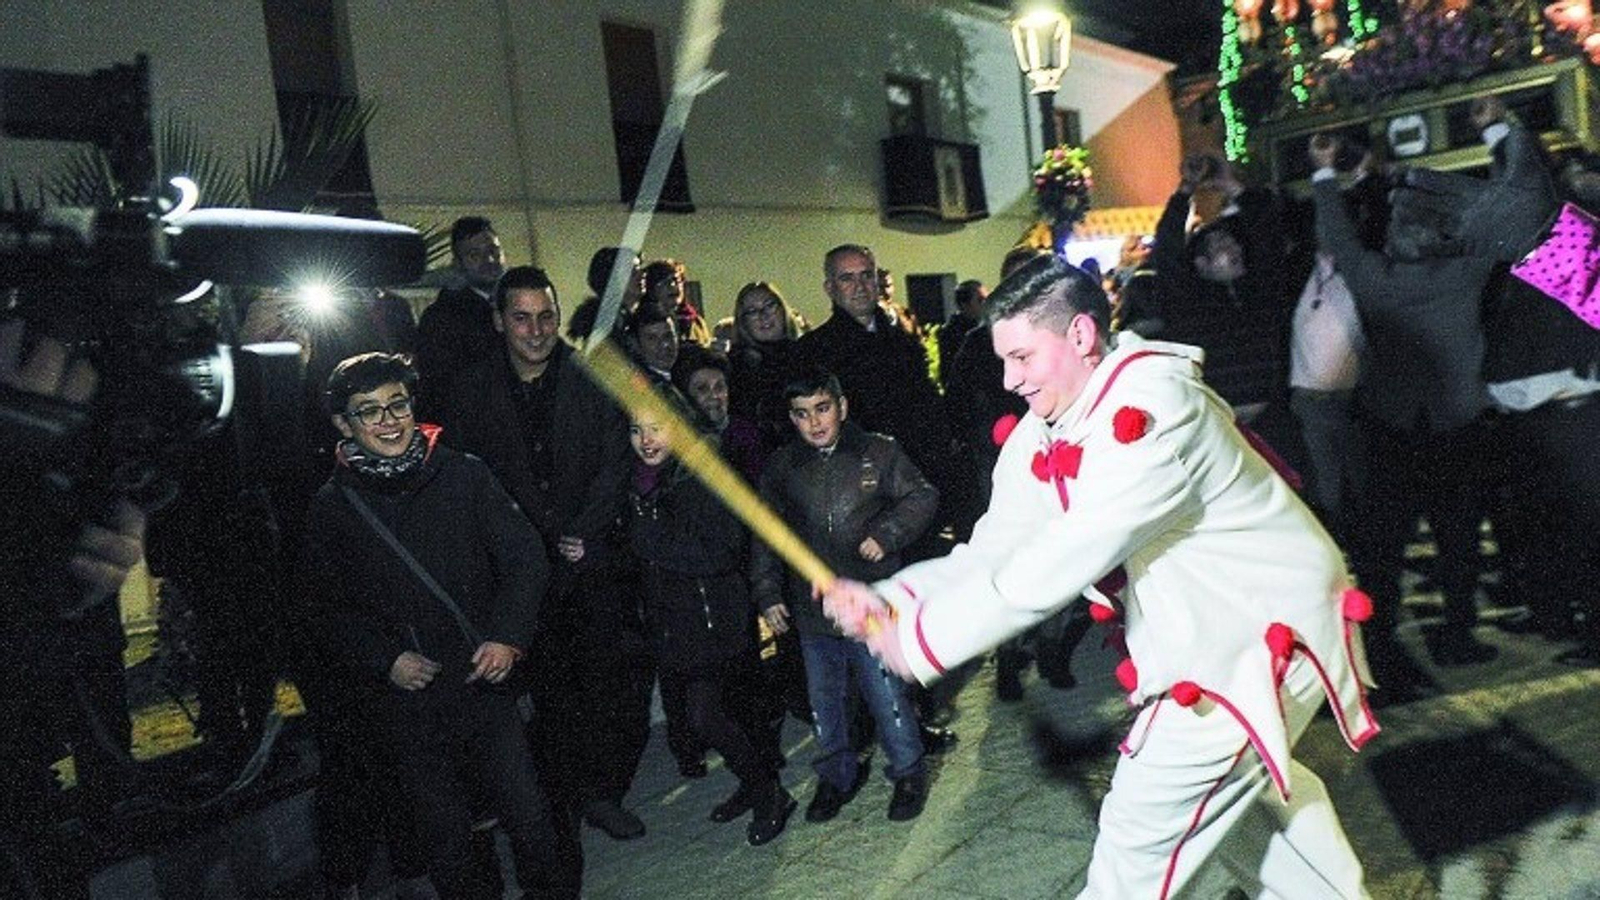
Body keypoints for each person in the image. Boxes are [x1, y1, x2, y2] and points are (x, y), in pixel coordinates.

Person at [824, 257, 1373, 898]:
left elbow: (1064, 558)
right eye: (1004, 361)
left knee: (1140, 833)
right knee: (1245, 805)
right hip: (1208, 631)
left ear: (1081, 336)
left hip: (1259, 633)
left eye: (1023, 358)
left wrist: (922, 639)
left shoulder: (1156, 413)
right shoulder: (1047, 426)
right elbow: (995, 549)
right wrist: (892, 601)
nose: (1010, 381)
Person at [299, 352, 570, 899]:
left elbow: (525, 559)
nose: (389, 421)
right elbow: (321, 610)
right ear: (342, 424)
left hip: (484, 684)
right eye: (369, 412)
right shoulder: (333, 508)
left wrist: (507, 637)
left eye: (397, 404)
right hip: (409, 706)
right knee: (446, 839)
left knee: (530, 818)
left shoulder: (464, 474)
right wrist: (387, 660)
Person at [437, 266, 652, 843]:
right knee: (543, 699)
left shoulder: (593, 377)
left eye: (547, 316)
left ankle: (603, 795)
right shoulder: (470, 390)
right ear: (499, 320)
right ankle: (557, 804)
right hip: (515, 576)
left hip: (589, 565)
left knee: (605, 688)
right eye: (522, 317)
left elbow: (615, 462)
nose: (536, 330)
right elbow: (463, 478)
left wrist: (587, 530)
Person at [752, 366, 938, 824]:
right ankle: (836, 773)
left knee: (886, 693)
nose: (814, 423)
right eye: (801, 414)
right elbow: (767, 534)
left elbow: (922, 495)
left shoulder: (878, 452)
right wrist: (767, 590)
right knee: (824, 701)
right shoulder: (782, 468)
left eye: (823, 409)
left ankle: (909, 770)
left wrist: (887, 533)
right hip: (814, 611)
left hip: (870, 603)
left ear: (842, 406)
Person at [623, 399, 795, 845]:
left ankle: (769, 792)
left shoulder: (704, 474)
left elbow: (719, 552)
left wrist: (649, 541)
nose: (646, 441)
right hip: (676, 627)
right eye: (637, 431)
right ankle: (754, 783)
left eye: (656, 429)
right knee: (730, 714)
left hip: (716, 619)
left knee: (707, 716)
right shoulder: (640, 485)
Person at [415, 217, 506, 411]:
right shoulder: (441, 320)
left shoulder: (519, 306)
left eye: (493, 251)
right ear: (458, 263)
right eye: (475, 255)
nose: (489, 260)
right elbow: (437, 390)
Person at [728, 281, 806, 453]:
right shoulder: (736, 368)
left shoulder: (808, 353)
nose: (763, 316)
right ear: (743, 321)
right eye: (752, 312)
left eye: (769, 306)